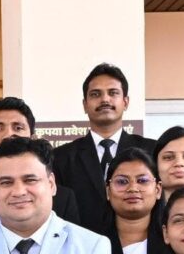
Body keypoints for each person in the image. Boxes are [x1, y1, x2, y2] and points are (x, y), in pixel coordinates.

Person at [53, 63, 158, 232]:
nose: (105, 99)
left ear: (126, 102)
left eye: (113, 93)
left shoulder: (152, 151)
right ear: (85, 105)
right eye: (96, 94)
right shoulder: (61, 157)